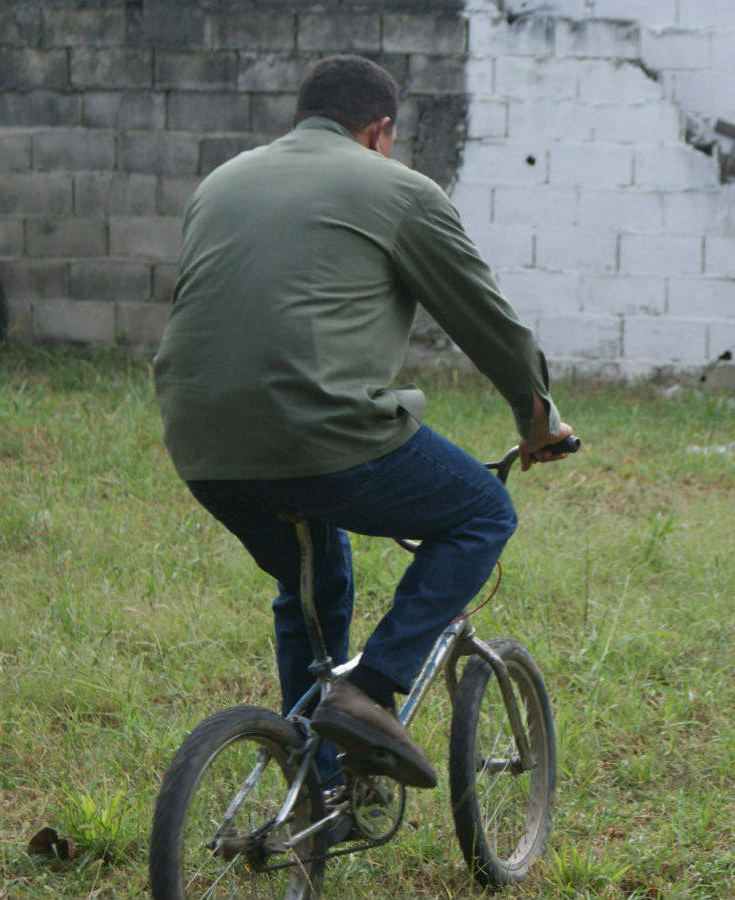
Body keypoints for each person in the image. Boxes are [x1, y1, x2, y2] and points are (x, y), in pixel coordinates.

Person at [152, 55, 576, 792]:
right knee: (482, 512)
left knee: (312, 582)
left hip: (200, 442)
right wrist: (538, 420)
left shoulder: (222, 182)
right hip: (322, 432)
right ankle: (372, 691)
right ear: (381, 131)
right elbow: (488, 322)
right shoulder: (399, 189)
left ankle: (315, 786)